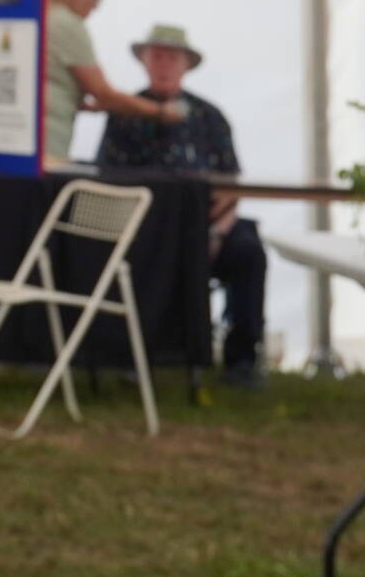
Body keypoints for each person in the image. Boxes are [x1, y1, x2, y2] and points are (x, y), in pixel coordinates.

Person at [95, 23, 268, 388]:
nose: (164, 64)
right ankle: (127, 354)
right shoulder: (125, 112)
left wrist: (216, 231)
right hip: (141, 230)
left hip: (205, 226)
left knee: (248, 251)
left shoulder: (209, 117)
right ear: (144, 60)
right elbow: (108, 179)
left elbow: (231, 184)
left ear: (186, 64)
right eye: (157, 56)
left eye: (171, 57)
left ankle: (242, 361)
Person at [43, 0, 181, 164]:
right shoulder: (67, 24)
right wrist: (161, 112)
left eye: (172, 58)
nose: (95, 8)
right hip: (49, 143)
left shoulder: (45, 17)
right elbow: (102, 92)